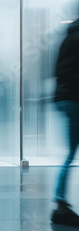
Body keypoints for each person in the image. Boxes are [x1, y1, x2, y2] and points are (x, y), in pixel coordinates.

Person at [51, 12, 79, 226]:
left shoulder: (68, 37)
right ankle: (60, 201)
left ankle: (61, 203)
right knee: (70, 153)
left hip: (65, 98)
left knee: (70, 152)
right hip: (73, 99)